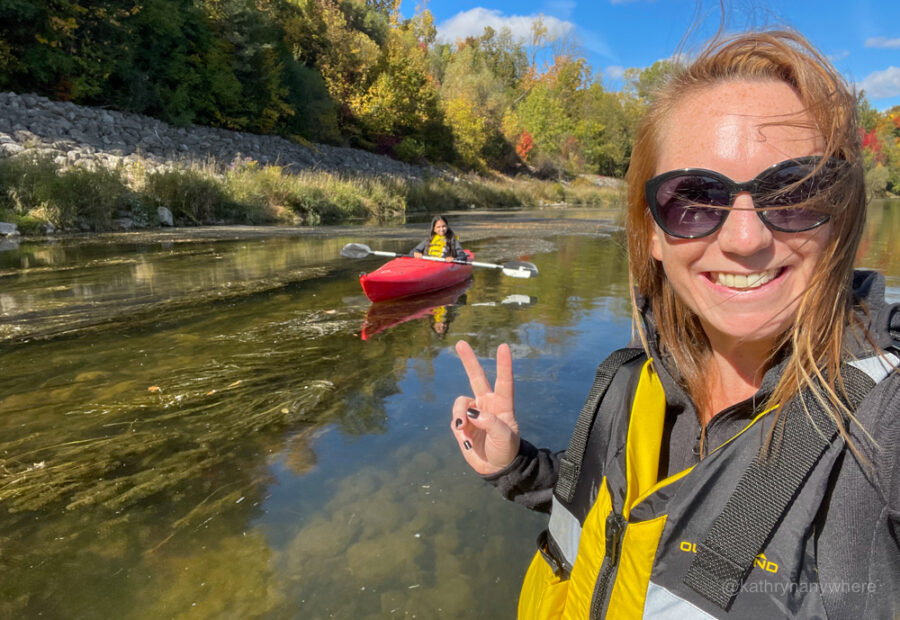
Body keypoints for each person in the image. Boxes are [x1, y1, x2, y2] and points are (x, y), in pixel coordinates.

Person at [450, 29, 899, 619]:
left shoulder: (882, 426)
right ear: (653, 235)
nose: (745, 240)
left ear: (839, 216)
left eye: (794, 191)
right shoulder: (628, 384)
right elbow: (612, 513)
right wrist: (515, 466)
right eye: (694, 199)